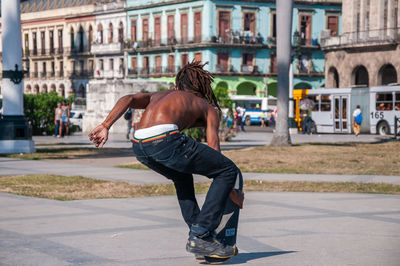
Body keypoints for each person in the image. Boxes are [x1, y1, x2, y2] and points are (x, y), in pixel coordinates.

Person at [89, 61, 244, 258]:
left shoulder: (159, 95)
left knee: (182, 177)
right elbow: (215, 152)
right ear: (203, 87)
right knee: (227, 170)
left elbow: (127, 98)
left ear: (178, 85)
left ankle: (199, 237)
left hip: (139, 144)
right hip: (165, 141)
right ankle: (201, 235)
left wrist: (105, 125)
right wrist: (232, 192)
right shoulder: (207, 107)